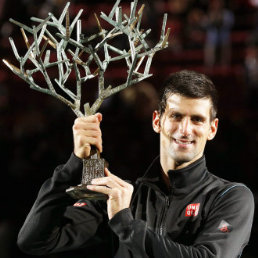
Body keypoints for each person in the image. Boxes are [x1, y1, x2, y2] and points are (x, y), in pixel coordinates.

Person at [17, 70, 254, 257]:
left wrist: (125, 224)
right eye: (176, 116)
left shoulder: (230, 197)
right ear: (157, 121)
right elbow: (34, 241)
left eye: (197, 120)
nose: (185, 129)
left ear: (212, 129)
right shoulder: (122, 198)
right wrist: (74, 165)